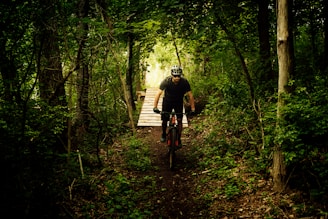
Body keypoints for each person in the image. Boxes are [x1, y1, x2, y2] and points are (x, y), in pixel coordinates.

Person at [153, 65, 195, 145]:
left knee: (179, 120)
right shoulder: (166, 81)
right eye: (175, 76)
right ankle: (163, 134)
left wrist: (193, 108)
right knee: (165, 119)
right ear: (172, 75)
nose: (177, 78)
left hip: (178, 102)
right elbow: (158, 93)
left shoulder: (184, 82)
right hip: (167, 101)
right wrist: (155, 107)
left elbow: (190, 95)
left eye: (178, 76)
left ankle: (178, 137)